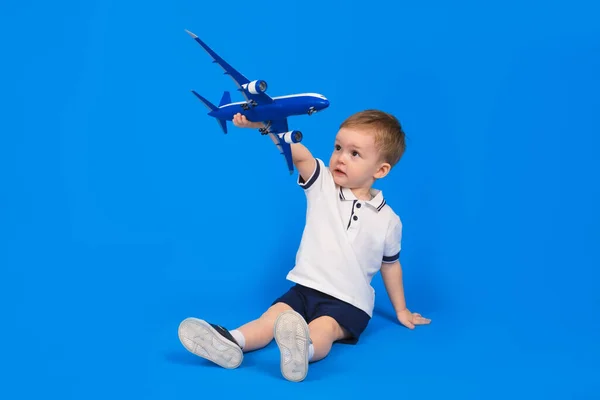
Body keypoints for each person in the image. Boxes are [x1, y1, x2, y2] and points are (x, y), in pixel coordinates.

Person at [178, 109, 431, 382]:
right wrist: (265, 125)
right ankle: (231, 341)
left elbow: (390, 266)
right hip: (305, 288)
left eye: (354, 153)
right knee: (271, 319)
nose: (341, 158)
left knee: (325, 329)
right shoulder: (322, 184)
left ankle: (303, 353)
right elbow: (299, 154)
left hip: (350, 301)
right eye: (338, 147)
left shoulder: (389, 220)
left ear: (380, 170)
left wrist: (402, 310)